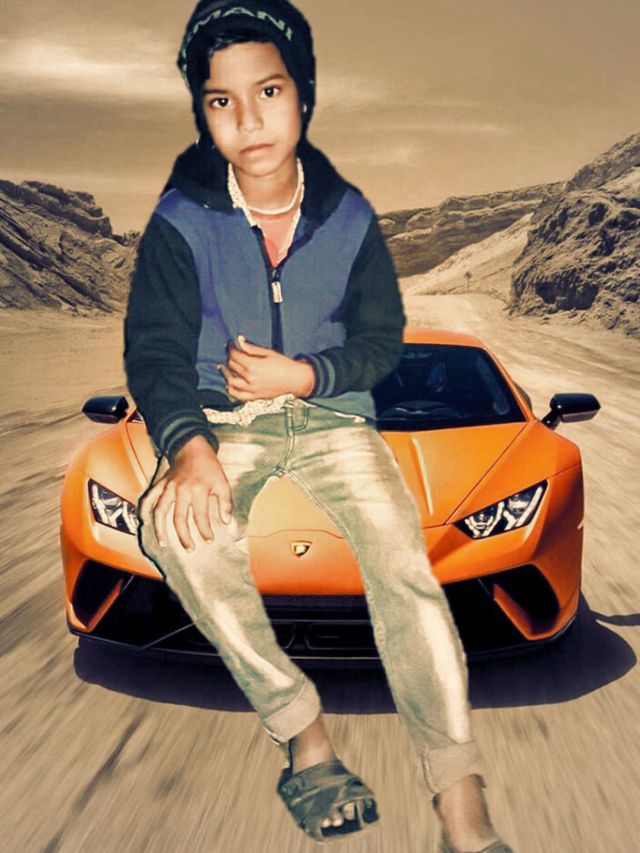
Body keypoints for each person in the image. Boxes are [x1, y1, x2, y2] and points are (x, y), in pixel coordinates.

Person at [124, 1, 513, 849]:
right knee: (176, 530)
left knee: (404, 567)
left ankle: (459, 794)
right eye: (220, 100)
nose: (247, 119)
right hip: (226, 423)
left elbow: (381, 342)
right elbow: (152, 352)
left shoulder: (352, 218)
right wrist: (188, 447)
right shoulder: (178, 223)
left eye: (268, 90)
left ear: (304, 92)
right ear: (201, 112)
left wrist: (305, 375)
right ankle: (304, 733)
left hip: (336, 420)